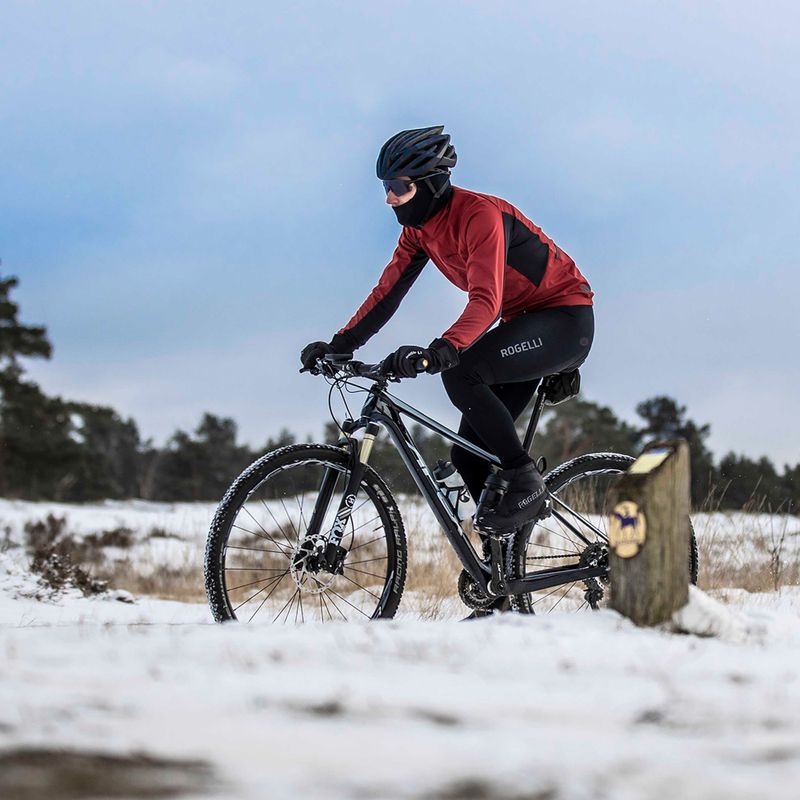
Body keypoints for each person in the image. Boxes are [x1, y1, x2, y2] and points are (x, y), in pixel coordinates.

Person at [301, 125, 594, 535]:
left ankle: (525, 480)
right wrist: (341, 344)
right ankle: (500, 571)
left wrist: (444, 348)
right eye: (386, 187)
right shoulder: (418, 232)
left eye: (398, 187)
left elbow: (486, 300)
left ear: (430, 184)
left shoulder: (480, 216)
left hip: (563, 319)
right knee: (468, 458)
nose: (389, 198)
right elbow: (387, 293)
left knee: (460, 371)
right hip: (522, 325)